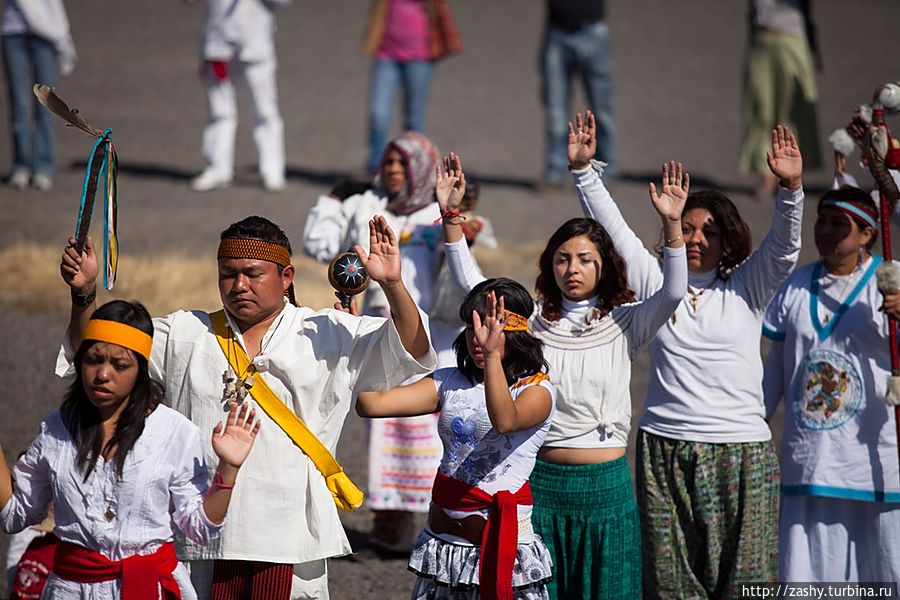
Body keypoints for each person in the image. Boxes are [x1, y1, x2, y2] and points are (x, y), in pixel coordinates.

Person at [59, 215, 436, 599]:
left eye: (253, 274)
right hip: (199, 530)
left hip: (291, 535)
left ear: (286, 277)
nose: (239, 285)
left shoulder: (327, 331)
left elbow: (412, 347)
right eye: (228, 274)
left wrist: (392, 284)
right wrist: (84, 293)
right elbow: (94, 349)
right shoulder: (186, 332)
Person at [437, 149, 688, 598]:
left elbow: (673, 290)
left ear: (604, 265)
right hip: (540, 488)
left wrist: (672, 225)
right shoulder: (530, 327)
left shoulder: (626, 321)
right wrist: (451, 218)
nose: (573, 269)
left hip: (607, 487)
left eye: (586, 259)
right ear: (550, 265)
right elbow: (475, 287)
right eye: (563, 258)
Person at [573, 110, 804, 596]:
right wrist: (582, 173)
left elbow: (784, 248)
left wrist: (791, 191)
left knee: (746, 581)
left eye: (709, 232)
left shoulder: (748, 285)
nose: (696, 239)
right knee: (672, 582)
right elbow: (613, 232)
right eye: (688, 228)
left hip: (742, 450)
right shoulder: (657, 281)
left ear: (728, 241)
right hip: (664, 446)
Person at [2, 300, 259, 597]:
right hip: (70, 589)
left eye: (120, 365)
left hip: (149, 587)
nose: (103, 374)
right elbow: (14, 515)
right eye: (93, 360)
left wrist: (229, 468)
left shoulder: (174, 432)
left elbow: (200, 528)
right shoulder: (57, 430)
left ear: (140, 369)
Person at [357, 280, 555, 599]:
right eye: (472, 327)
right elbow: (370, 404)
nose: (478, 338)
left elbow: (505, 421)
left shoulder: (537, 390)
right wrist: (362, 343)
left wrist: (492, 358)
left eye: (489, 326)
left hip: (499, 549)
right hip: (441, 547)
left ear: (517, 332)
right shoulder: (450, 381)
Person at [303, 131, 450, 552]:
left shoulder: (440, 217)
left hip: (428, 336)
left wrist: (456, 222)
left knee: (427, 431)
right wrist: (333, 200)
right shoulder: (368, 208)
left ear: (421, 169)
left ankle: (434, 524)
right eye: (388, 164)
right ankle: (390, 526)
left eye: (403, 165)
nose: (393, 172)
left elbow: (455, 281)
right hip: (376, 331)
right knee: (382, 428)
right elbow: (319, 245)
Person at [762, 186, 900, 582]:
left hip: (872, 457)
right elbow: (775, 367)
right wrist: (753, 424)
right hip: (809, 457)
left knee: (881, 568)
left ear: (867, 234)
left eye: (838, 224)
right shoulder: (796, 284)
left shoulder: (890, 281)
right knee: (807, 571)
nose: (824, 230)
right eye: (821, 221)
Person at [189, 0, 290, 192]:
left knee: (265, 110)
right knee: (219, 110)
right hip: (217, 42)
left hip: (256, 40)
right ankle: (217, 168)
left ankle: (272, 168)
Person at [362, 0, 462, 175]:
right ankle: (376, 168)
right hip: (387, 53)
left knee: (414, 118)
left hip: (420, 56)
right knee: (378, 113)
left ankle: (416, 170)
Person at [740, 0, 821, 196]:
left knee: (792, 110)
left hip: (791, 37)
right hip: (760, 38)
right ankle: (765, 173)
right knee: (760, 108)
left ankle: (791, 174)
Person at [2, 0, 76, 191]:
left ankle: (44, 166)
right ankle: (21, 164)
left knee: (46, 104)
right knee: (19, 104)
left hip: (46, 33)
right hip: (13, 32)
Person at [540, 0, 616, 185]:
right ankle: (555, 172)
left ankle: (605, 170)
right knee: (556, 110)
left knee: (601, 109)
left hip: (592, 29)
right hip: (557, 28)